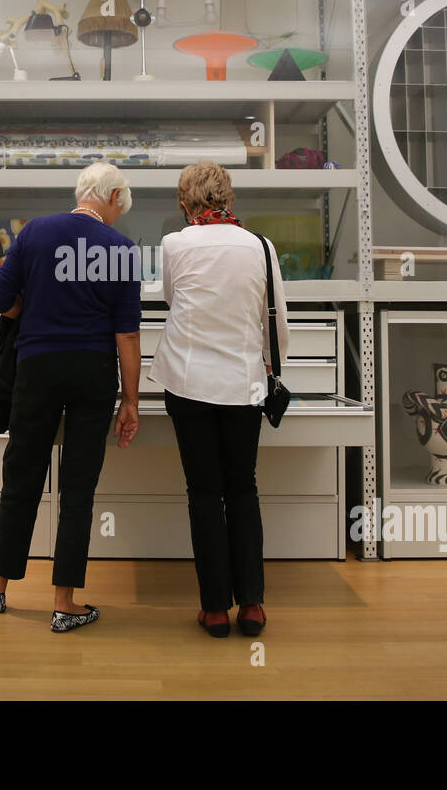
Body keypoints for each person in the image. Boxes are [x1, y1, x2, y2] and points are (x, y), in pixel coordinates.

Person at [0, 162, 142, 633]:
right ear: (112, 196)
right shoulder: (121, 250)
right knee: (78, 485)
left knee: (22, 473)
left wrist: (29, 310)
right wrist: (130, 401)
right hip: (93, 372)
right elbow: (127, 336)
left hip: (37, 367)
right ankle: (65, 603)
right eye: (121, 203)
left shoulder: (37, 232)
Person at [149, 160, 289, 638]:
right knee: (243, 489)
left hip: (188, 384)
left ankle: (213, 609)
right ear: (230, 199)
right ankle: (252, 605)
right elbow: (277, 321)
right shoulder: (261, 247)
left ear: (185, 204)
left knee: (204, 493)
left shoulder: (175, 244)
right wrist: (268, 366)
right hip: (243, 385)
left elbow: (173, 299)